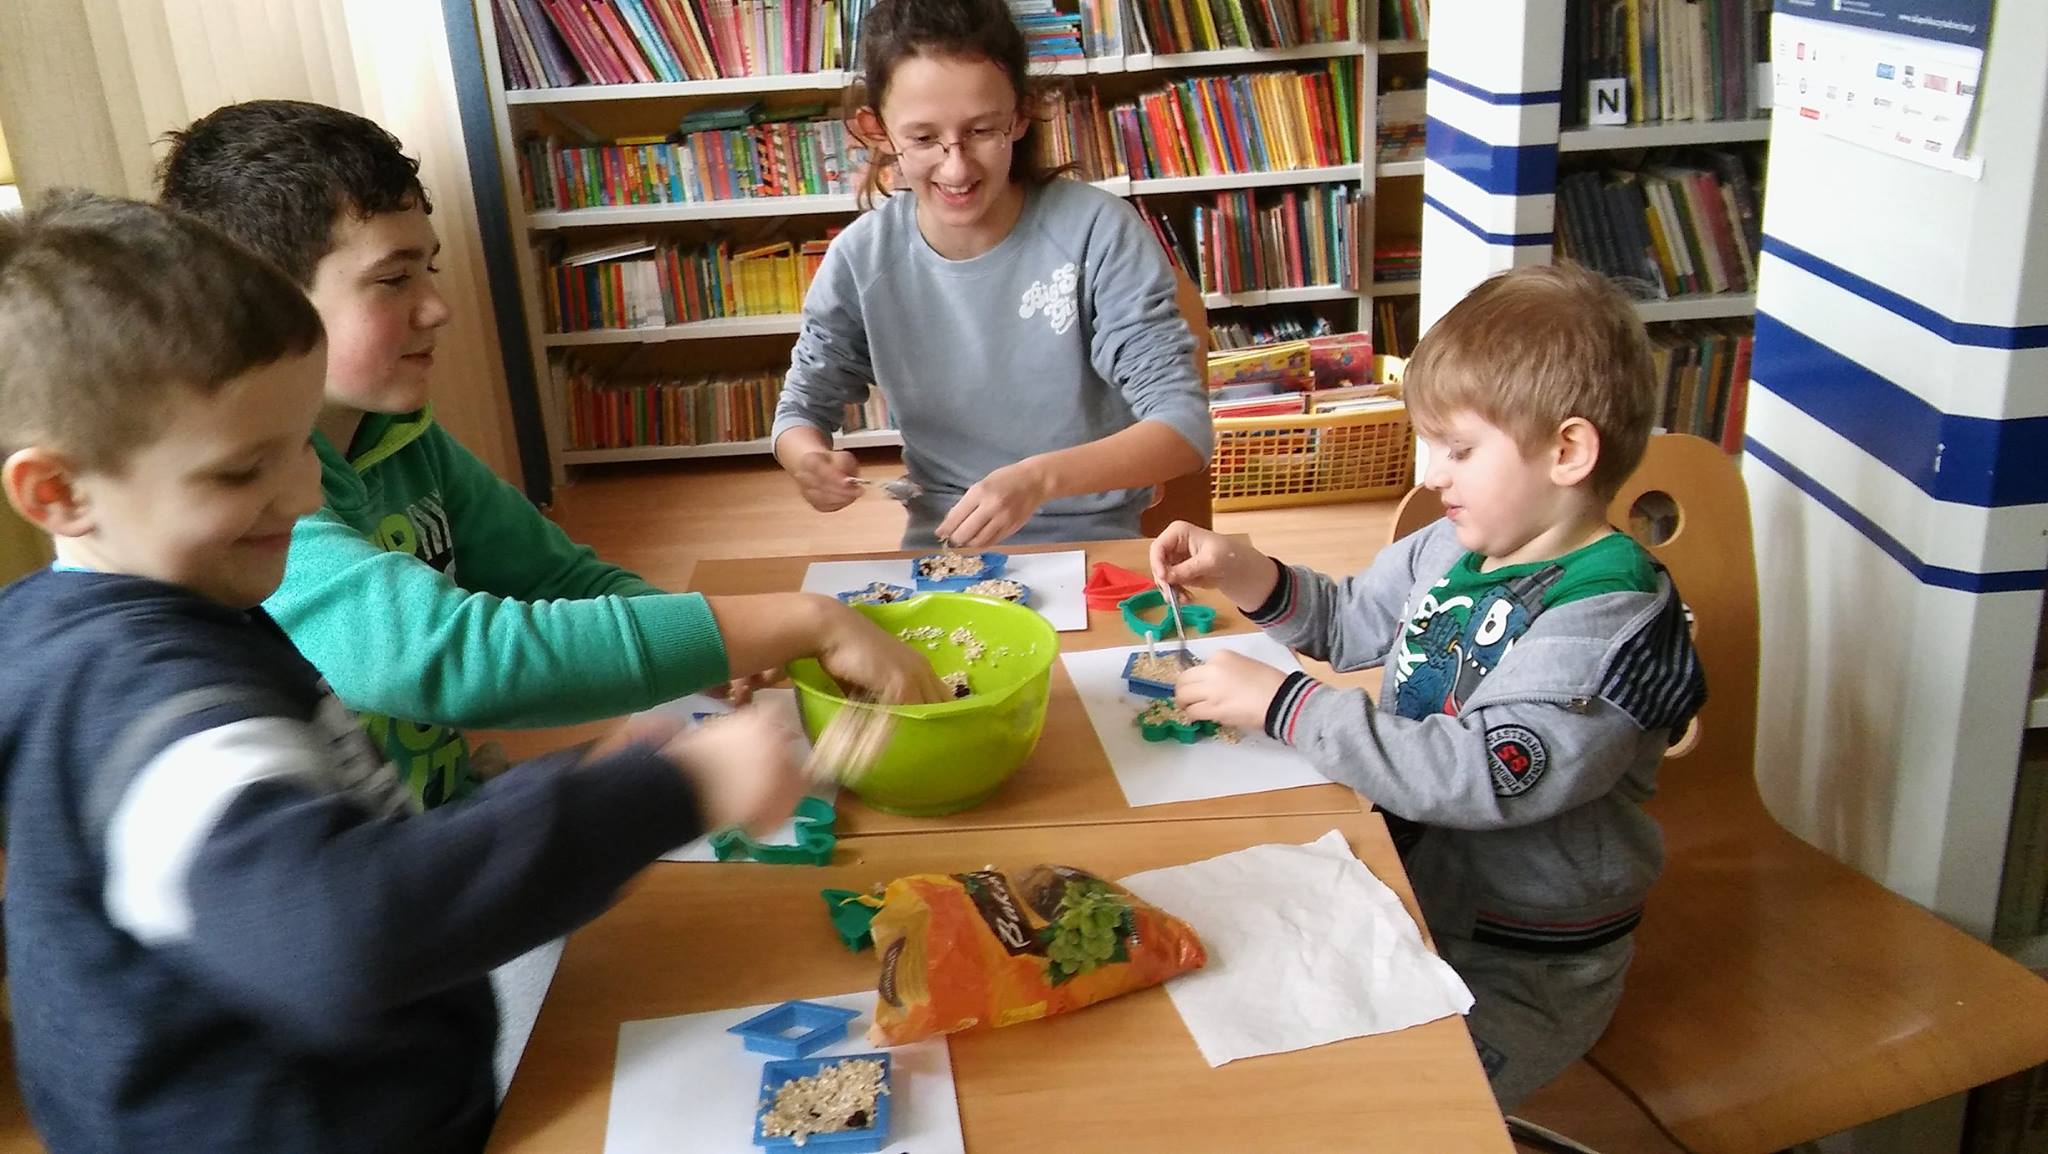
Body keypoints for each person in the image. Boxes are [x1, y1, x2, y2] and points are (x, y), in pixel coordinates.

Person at [0, 191, 807, 1153]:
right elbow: (338, 931)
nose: (302, 495)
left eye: (301, 445)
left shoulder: (128, 617)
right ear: (57, 492)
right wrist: (667, 794)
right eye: (241, 471)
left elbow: (336, 838)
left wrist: (582, 782)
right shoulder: (142, 700)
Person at [157, 99, 946, 809]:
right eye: (393, 279)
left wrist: (717, 649)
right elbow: (449, 658)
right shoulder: (250, 497)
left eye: (429, 268)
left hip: (433, 830)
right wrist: (804, 620)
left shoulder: (403, 439)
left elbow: (559, 579)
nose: (438, 307)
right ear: (265, 306)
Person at [1150, 263, 1708, 1108]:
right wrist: (1245, 570)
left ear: (1567, 451)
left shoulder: (1607, 618)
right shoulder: (1455, 545)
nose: (1433, 473)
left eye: (1460, 450)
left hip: (1524, 963)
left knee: (1393, 1109)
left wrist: (1285, 706)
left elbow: (1481, 774)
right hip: (1413, 893)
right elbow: (1346, 623)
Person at [772, 0, 1212, 549]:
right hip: (946, 547)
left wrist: (1036, 481)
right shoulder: (861, 258)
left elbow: (1183, 429)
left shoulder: (1097, 232)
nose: (956, 167)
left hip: (1092, 541)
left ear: (1020, 116)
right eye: (924, 139)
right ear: (876, 130)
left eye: (981, 130)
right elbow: (799, 410)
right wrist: (806, 458)